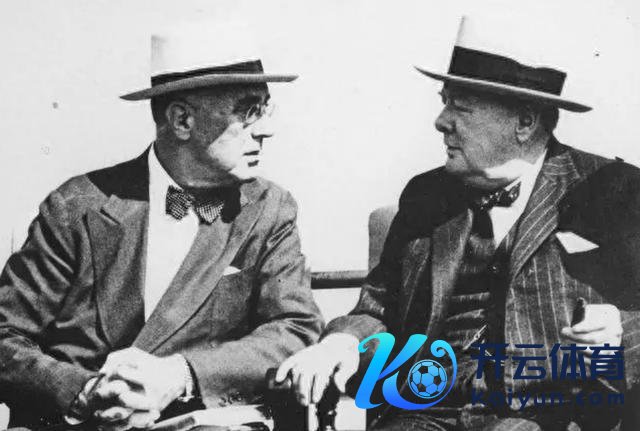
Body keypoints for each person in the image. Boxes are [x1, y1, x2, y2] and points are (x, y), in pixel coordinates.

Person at [277, 16, 640, 430]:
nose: (441, 121)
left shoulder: (612, 190)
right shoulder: (426, 196)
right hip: (426, 409)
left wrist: (619, 334)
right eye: (444, 101)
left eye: (460, 107)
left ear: (525, 122)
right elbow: (379, 308)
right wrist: (340, 343)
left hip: (545, 414)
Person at [0, 24, 323, 430]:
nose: (265, 129)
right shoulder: (76, 206)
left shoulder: (269, 209)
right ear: (182, 120)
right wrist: (84, 391)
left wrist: (180, 375)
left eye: (265, 108)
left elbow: (294, 327)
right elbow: (5, 334)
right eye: (248, 111)